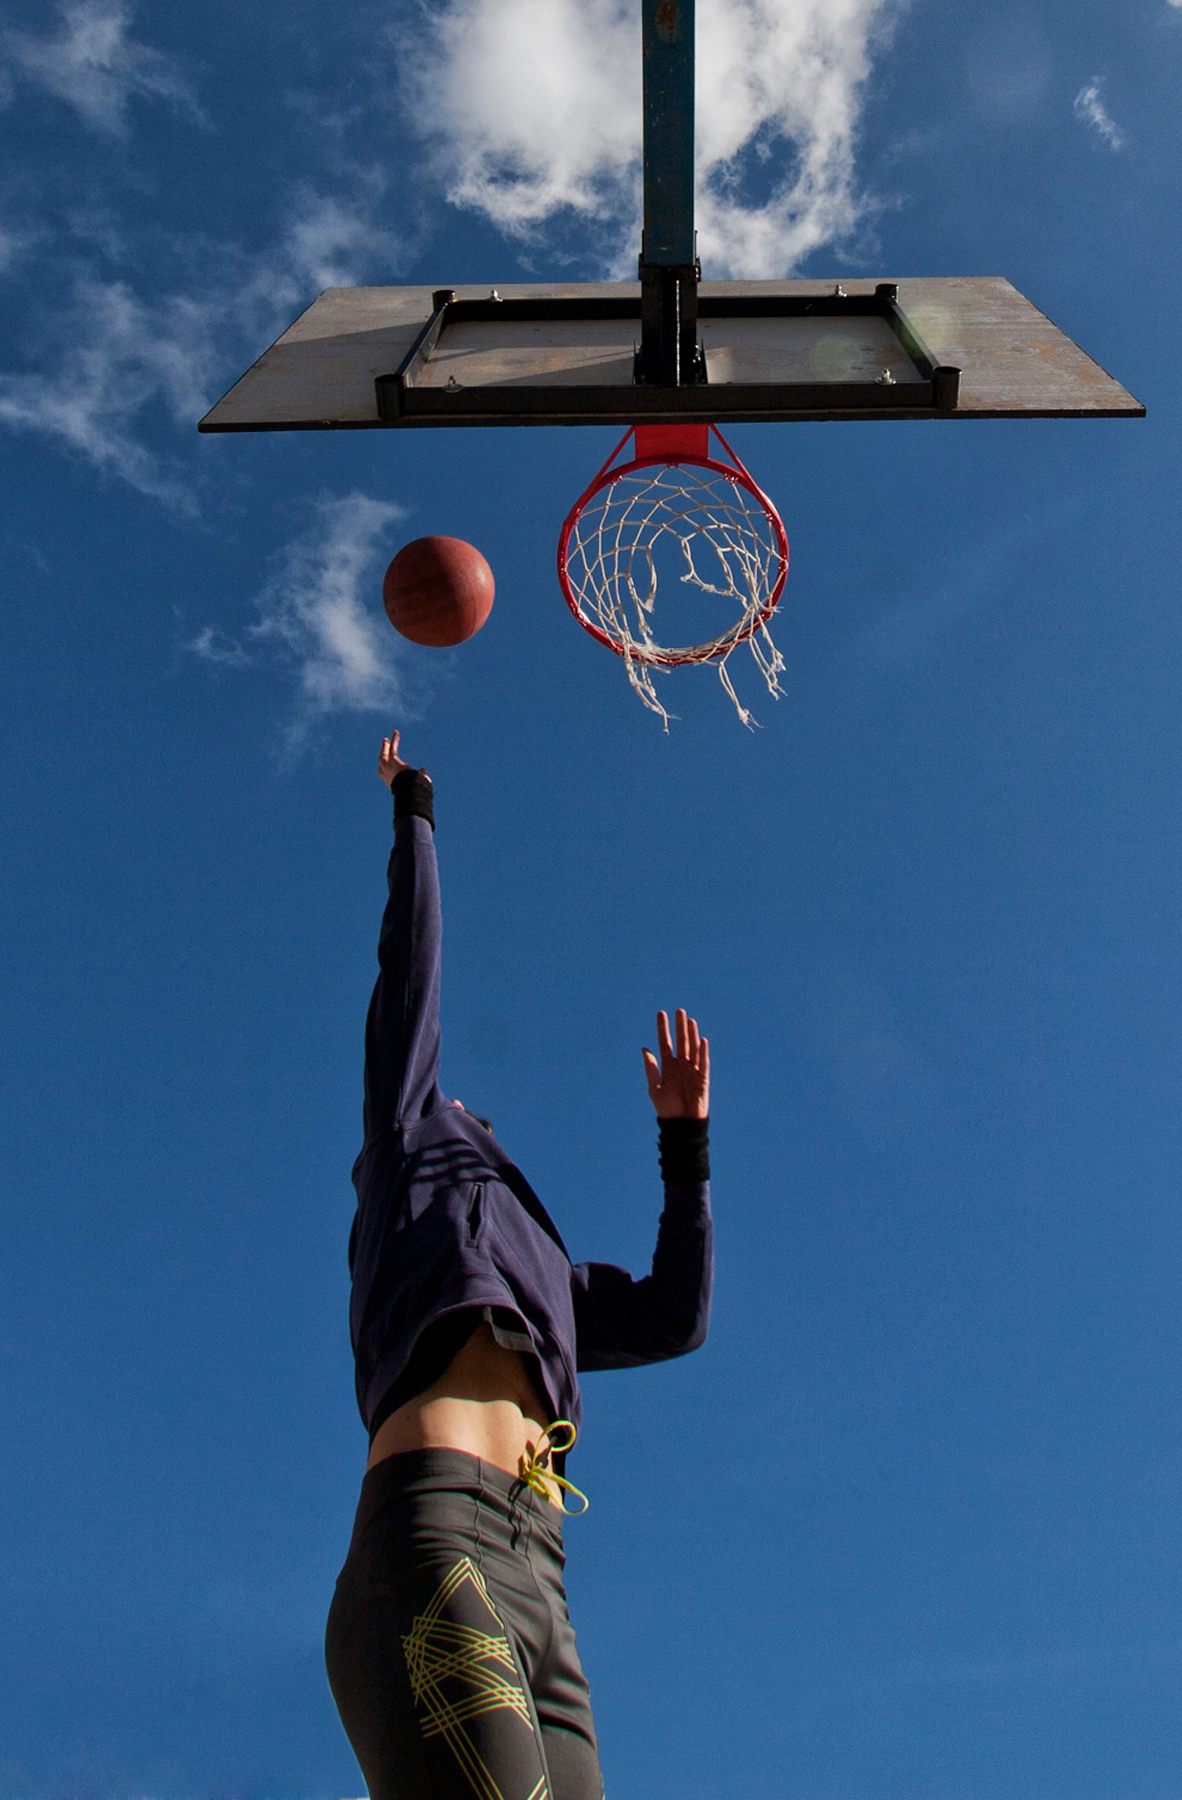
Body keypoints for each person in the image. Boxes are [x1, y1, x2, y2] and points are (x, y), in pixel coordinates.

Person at [326, 732, 714, 1800]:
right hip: (435, 1535)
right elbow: (409, 982)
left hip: (543, 1580)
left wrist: (684, 1145)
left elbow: (677, 1318)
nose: (467, 1107)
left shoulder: (538, 1268)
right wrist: (416, 815)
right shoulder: (406, 1154)